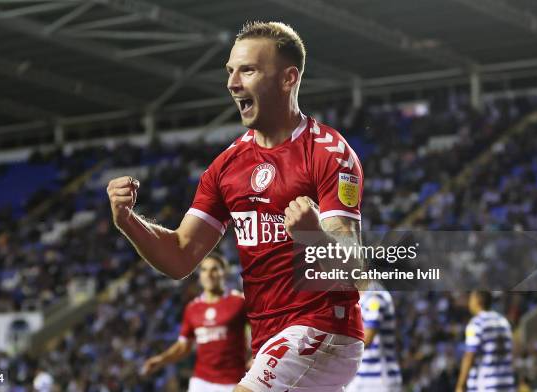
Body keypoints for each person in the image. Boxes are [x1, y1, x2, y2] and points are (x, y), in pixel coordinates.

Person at [107, 21, 364, 392]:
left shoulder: (328, 152)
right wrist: (127, 221)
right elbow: (180, 255)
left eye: (248, 70)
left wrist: (312, 234)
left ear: (288, 78)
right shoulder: (226, 166)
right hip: (268, 339)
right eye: (230, 71)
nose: (232, 83)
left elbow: (352, 263)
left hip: (321, 328)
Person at [141, 253, 248, 392]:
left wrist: (257, 360)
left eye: (214, 269)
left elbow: (260, 332)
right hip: (201, 382)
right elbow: (183, 347)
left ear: (224, 272)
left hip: (234, 382)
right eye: (204, 270)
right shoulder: (192, 308)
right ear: (200, 276)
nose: (209, 274)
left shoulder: (239, 302)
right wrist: (161, 360)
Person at [455, 291, 516, 392]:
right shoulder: (503, 320)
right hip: (506, 382)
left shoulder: (477, 322)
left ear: (477, 301)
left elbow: (470, 354)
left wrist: (460, 385)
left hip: (485, 384)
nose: (469, 303)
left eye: (471, 299)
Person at [347, 285, 402, 392]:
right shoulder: (352, 296)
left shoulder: (376, 296)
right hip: (361, 377)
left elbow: (366, 339)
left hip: (378, 380)